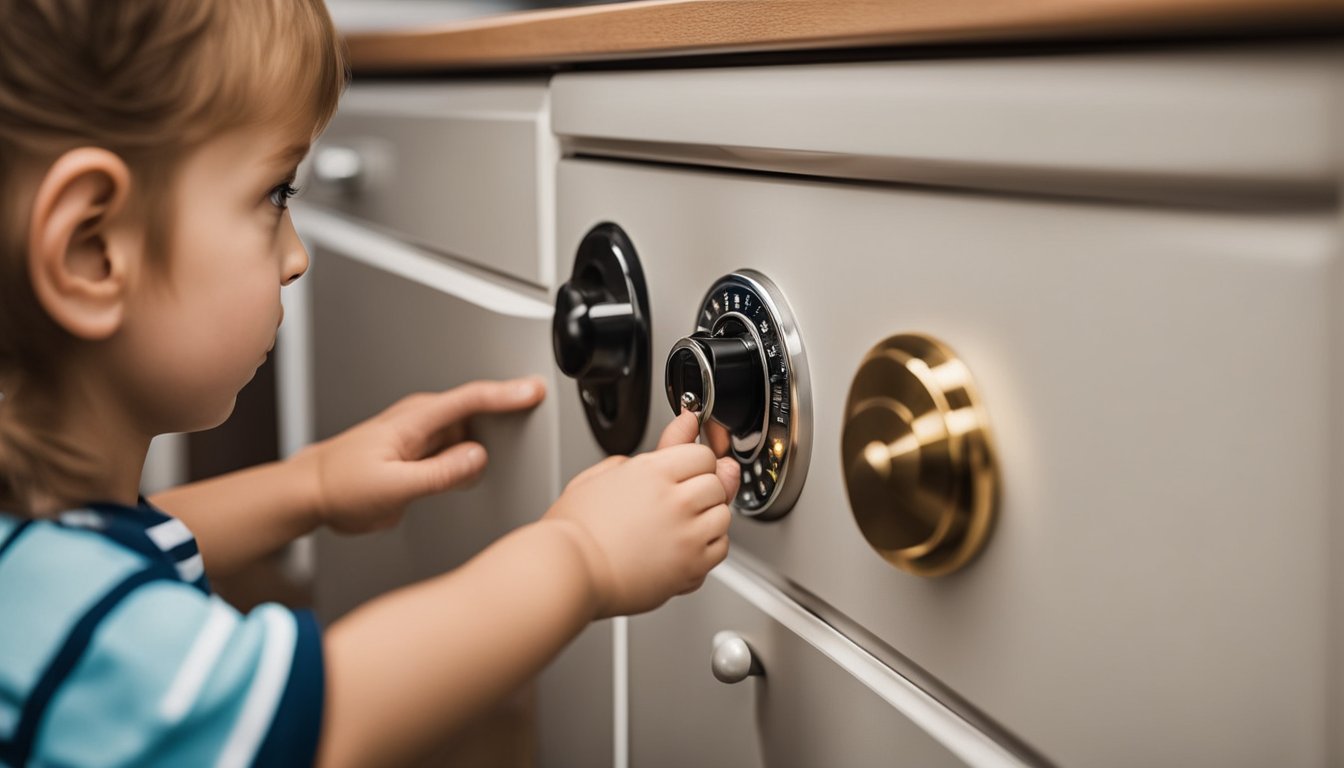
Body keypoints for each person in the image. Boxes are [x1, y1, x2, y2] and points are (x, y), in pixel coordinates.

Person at [0, 1, 738, 766]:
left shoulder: (36, 551)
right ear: (92, 251)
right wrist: (584, 554)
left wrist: (310, 485)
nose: (296, 257)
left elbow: (132, 545)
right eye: (274, 196)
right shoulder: (83, 635)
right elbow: (325, 718)